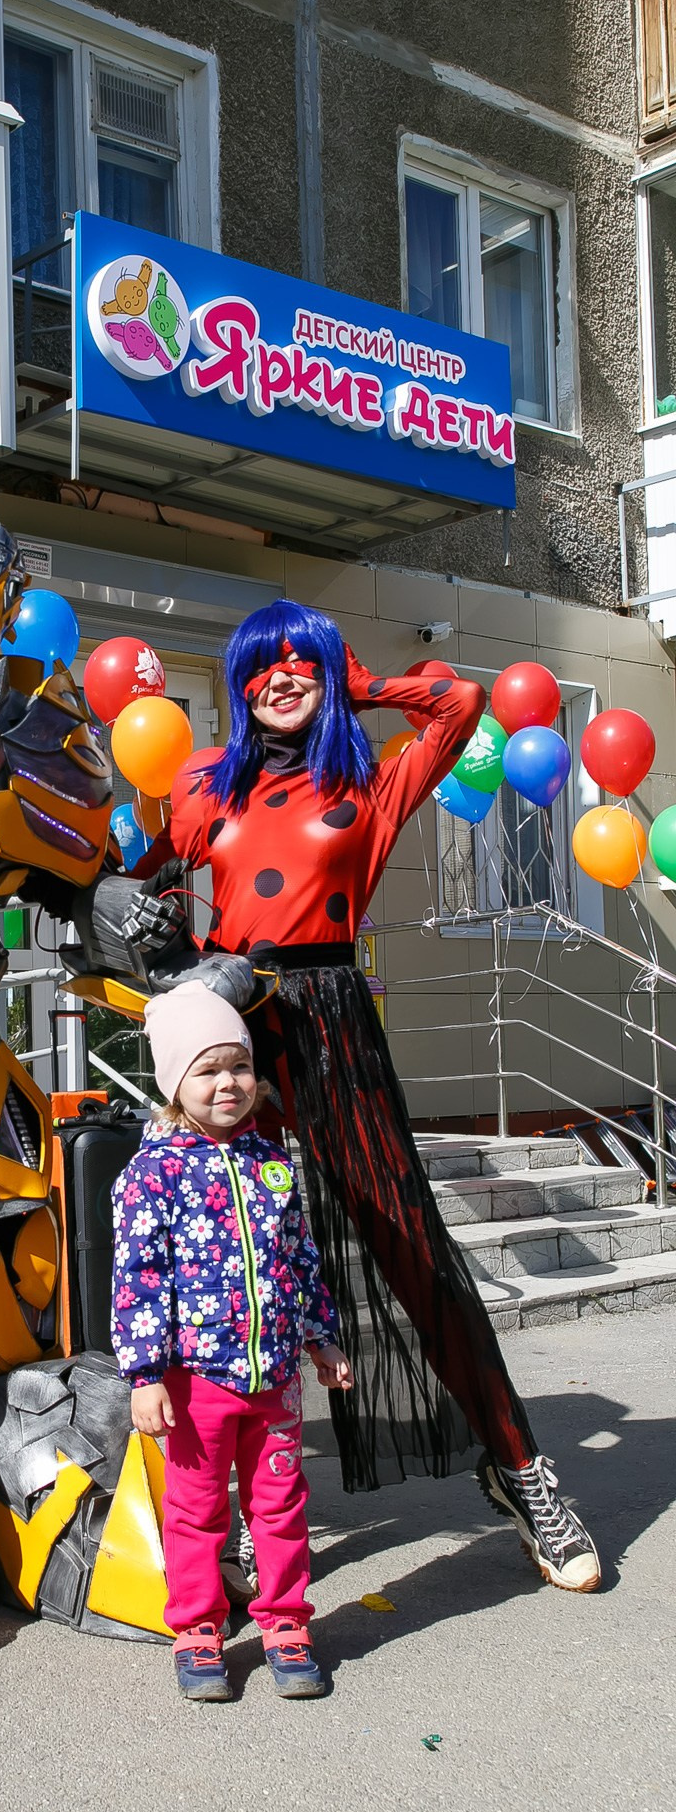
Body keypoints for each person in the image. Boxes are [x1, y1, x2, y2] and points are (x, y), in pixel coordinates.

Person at [153, 597, 600, 1593]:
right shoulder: (200, 783)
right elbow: (145, 886)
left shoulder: (370, 777)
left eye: (295, 662)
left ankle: (519, 1467)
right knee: (225, 1262)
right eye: (259, 663)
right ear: (233, 682)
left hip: (329, 1020)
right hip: (230, 1026)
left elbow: (454, 699)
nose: (278, 678)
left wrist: (348, 677)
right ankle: (228, 1513)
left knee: (409, 1250)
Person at [110, 985, 353, 1703]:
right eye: (207, 1070)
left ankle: (284, 1624)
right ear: (175, 1084)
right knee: (197, 1512)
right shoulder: (153, 1175)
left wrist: (320, 1337)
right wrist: (145, 1374)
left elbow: (298, 1256)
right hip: (194, 1388)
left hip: (275, 1379)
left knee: (279, 1508)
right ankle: (197, 1632)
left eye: (238, 1068)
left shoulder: (271, 1165)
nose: (227, 1084)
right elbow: (137, 1277)